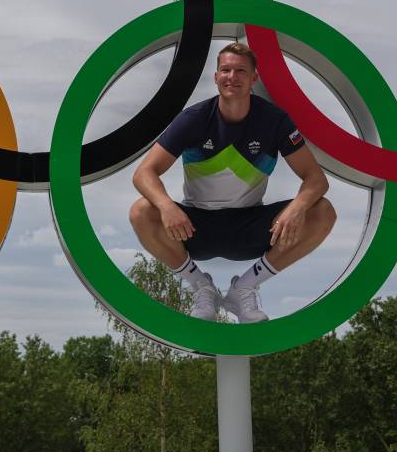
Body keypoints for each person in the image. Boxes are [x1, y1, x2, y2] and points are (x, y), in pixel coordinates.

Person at [129, 42, 337, 322]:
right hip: (194, 227)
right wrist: (167, 206)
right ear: (215, 77)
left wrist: (298, 207)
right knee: (141, 211)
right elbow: (144, 173)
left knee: (322, 211)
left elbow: (316, 179)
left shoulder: (274, 120)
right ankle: (202, 286)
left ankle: (245, 287)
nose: (232, 76)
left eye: (241, 70)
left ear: (254, 78)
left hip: (250, 226)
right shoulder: (193, 119)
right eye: (225, 70)